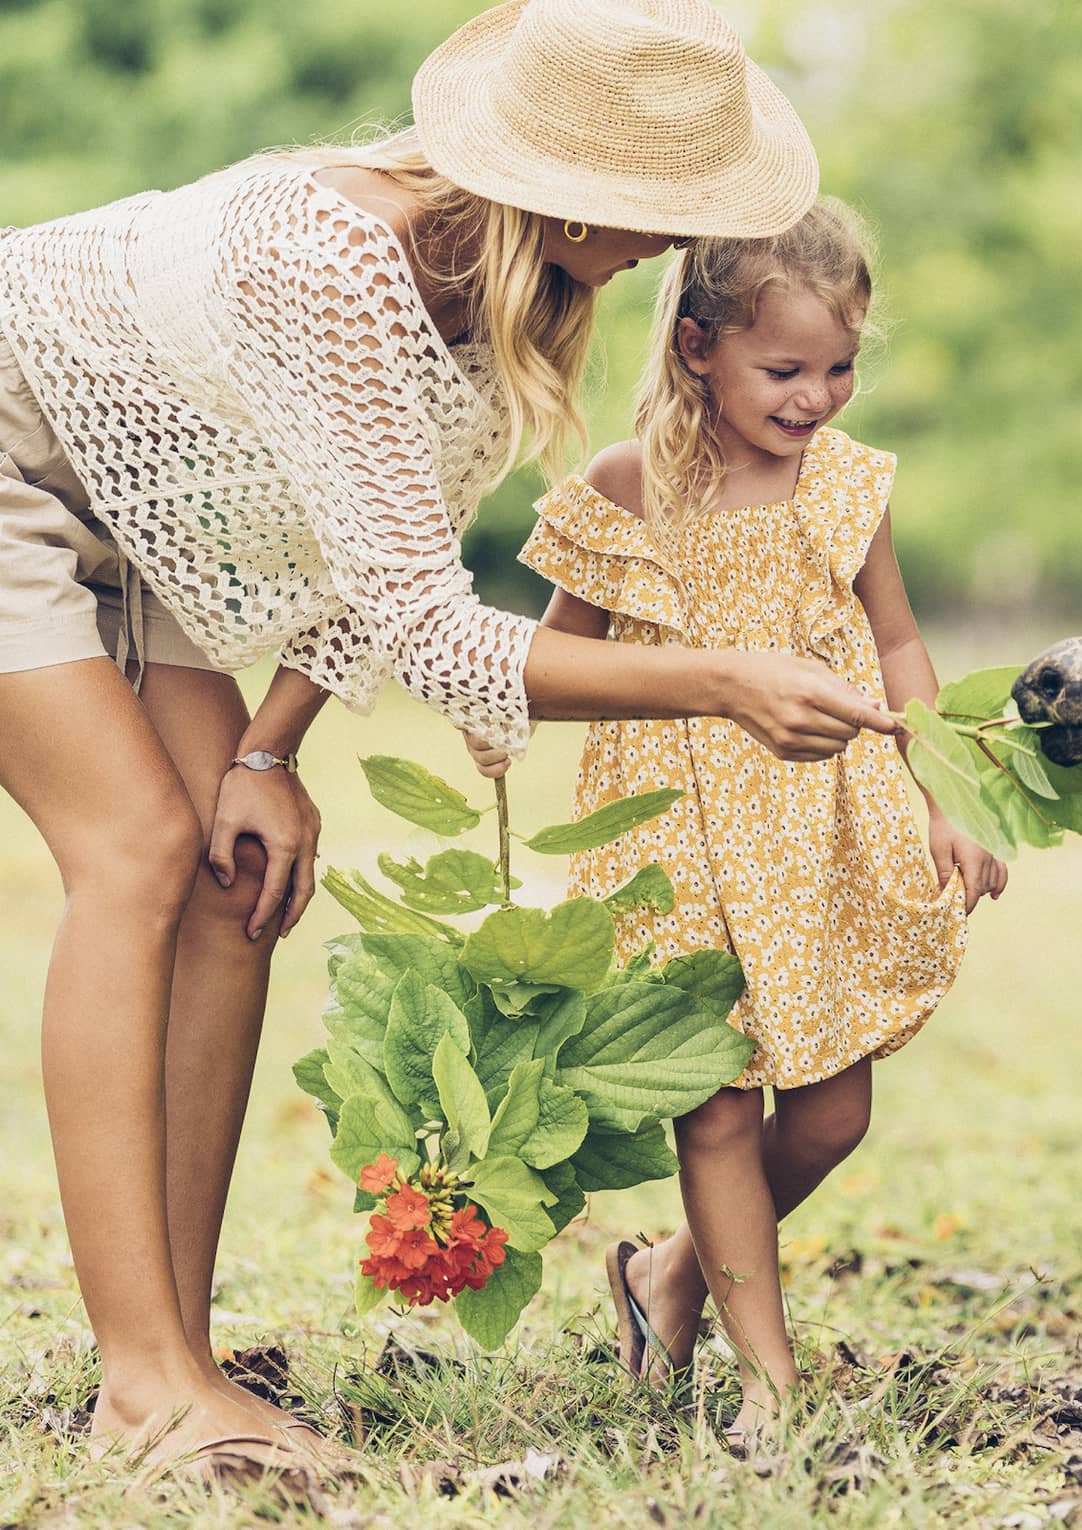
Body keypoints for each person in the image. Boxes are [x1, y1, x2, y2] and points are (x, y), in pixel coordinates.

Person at [0, 0, 895, 1480]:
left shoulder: (499, 316)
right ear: (569, 193)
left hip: (120, 501)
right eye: (657, 218)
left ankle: (175, 1349)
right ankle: (142, 1385)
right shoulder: (336, 258)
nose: (668, 251)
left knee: (237, 873)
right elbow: (433, 629)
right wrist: (715, 676)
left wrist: (272, 755)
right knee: (140, 847)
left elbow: (376, 573)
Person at [465, 200, 1008, 1449]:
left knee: (828, 1114)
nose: (818, 396)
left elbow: (900, 641)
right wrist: (495, 715)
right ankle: (767, 1379)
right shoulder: (627, 484)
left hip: (821, 833)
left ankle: (666, 1276)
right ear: (699, 344)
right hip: (673, 836)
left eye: (840, 366)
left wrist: (948, 793)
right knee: (709, 1102)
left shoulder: (846, 483)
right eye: (787, 369)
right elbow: (555, 657)